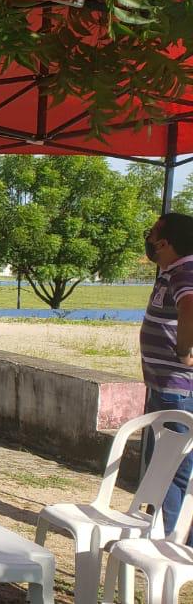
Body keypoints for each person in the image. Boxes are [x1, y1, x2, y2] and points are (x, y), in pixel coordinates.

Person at [141, 212, 193, 541]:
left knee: (170, 468)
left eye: (153, 232)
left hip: (177, 389)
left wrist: (184, 351)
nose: (148, 237)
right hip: (164, 386)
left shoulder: (185, 269)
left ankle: (167, 540)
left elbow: (190, 306)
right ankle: (160, 532)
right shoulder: (171, 271)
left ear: (166, 241)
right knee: (162, 465)